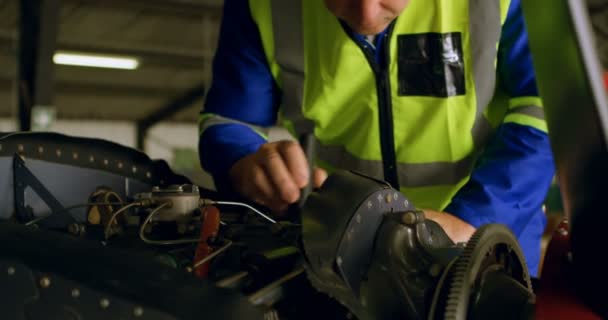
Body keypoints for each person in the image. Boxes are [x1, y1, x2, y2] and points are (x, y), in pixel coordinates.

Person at [198, 0, 554, 275]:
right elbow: (229, 120)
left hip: (485, 247)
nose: (366, 14)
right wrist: (244, 162)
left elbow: (549, 111)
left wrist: (474, 219)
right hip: (339, 252)